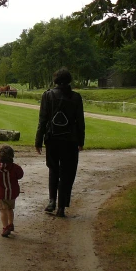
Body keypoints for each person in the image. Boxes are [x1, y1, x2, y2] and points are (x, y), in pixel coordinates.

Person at [35, 67, 85, 217]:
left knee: (54, 170)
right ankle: (62, 207)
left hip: (52, 139)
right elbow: (80, 122)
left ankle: (52, 201)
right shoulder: (76, 97)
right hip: (70, 140)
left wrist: (38, 140)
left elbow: (42, 120)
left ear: (55, 80)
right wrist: (81, 141)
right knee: (67, 173)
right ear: (69, 80)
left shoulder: (48, 95)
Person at [0, 144, 24, 237]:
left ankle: (5, 227)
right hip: (12, 192)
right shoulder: (15, 167)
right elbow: (20, 175)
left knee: (3, 210)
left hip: (1, 193)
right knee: (10, 209)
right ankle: (11, 224)